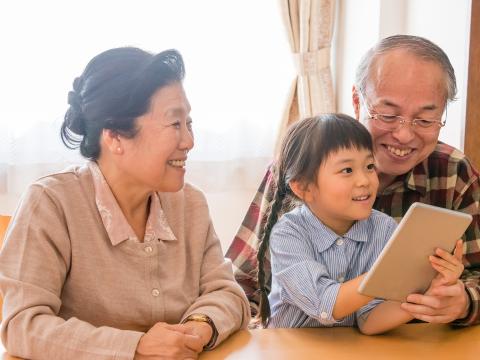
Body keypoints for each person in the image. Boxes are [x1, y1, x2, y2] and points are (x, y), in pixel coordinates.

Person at [0, 47, 250, 359]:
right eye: (175, 124)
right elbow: (23, 324)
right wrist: (136, 347)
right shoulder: (51, 203)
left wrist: (198, 327)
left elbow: (227, 292)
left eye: (189, 123)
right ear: (115, 136)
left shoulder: (190, 204)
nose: (189, 141)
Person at [226, 34, 480, 326]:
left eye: (424, 120)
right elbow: (244, 283)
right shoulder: (301, 166)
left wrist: (463, 302)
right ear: (358, 101)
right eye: (388, 114)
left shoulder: (453, 173)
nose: (404, 134)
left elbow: (371, 317)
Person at [258, 114, 464, 333]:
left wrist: (423, 295)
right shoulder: (288, 234)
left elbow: (369, 321)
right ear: (304, 188)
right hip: (287, 350)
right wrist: (387, 274)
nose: (365, 180)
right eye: (347, 170)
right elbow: (325, 303)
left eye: (369, 166)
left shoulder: (384, 228)